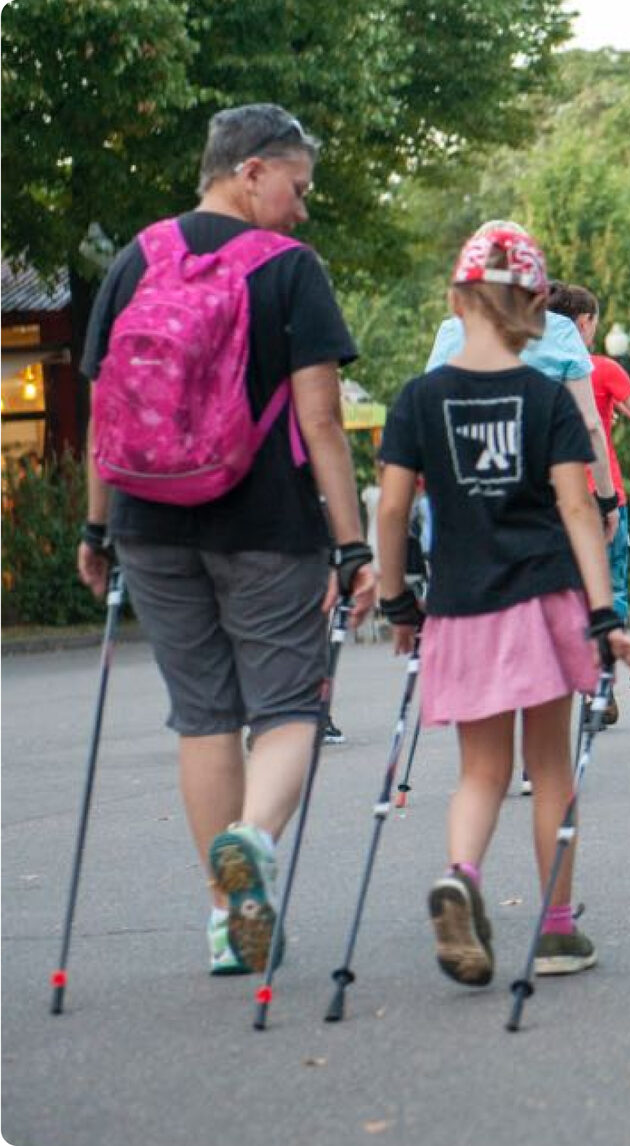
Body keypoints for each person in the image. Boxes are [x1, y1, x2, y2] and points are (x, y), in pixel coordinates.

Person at [75, 104, 374, 975]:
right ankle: (252, 842)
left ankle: (225, 920)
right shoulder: (291, 271)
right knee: (289, 709)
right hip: (266, 522)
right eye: (297, 186)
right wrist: (352, 549)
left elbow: (104, 409)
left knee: (203, 716)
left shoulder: (137, 257)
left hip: (148, 525)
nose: (302, 208)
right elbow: (321, 422)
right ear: (251, 172)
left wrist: (99, 525)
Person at [376, 224, 630, 986]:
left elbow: (393, 510)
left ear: (457, 299)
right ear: (536, 308)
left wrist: (399, 600)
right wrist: (605, 617)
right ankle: (556, 931)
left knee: (480, 771)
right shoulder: (547, 397)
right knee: (550, 765)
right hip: (543, 599)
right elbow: (577, 508)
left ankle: (461, 874)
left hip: (460, 608)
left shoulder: (419, 400)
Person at [425, 242, 619, 544]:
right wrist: (607, 499)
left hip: (471, 499)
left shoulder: (450, 332)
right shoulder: (562, 331)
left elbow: (433, 421)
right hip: (546, 500)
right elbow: (590, 425)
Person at [546, 284, 630, 628]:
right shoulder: (603, 369)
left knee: (560, 589)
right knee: (609, 588)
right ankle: (604, 674)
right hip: (600, 491)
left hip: (551, 494)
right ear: (583, 322)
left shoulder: (537, 367)